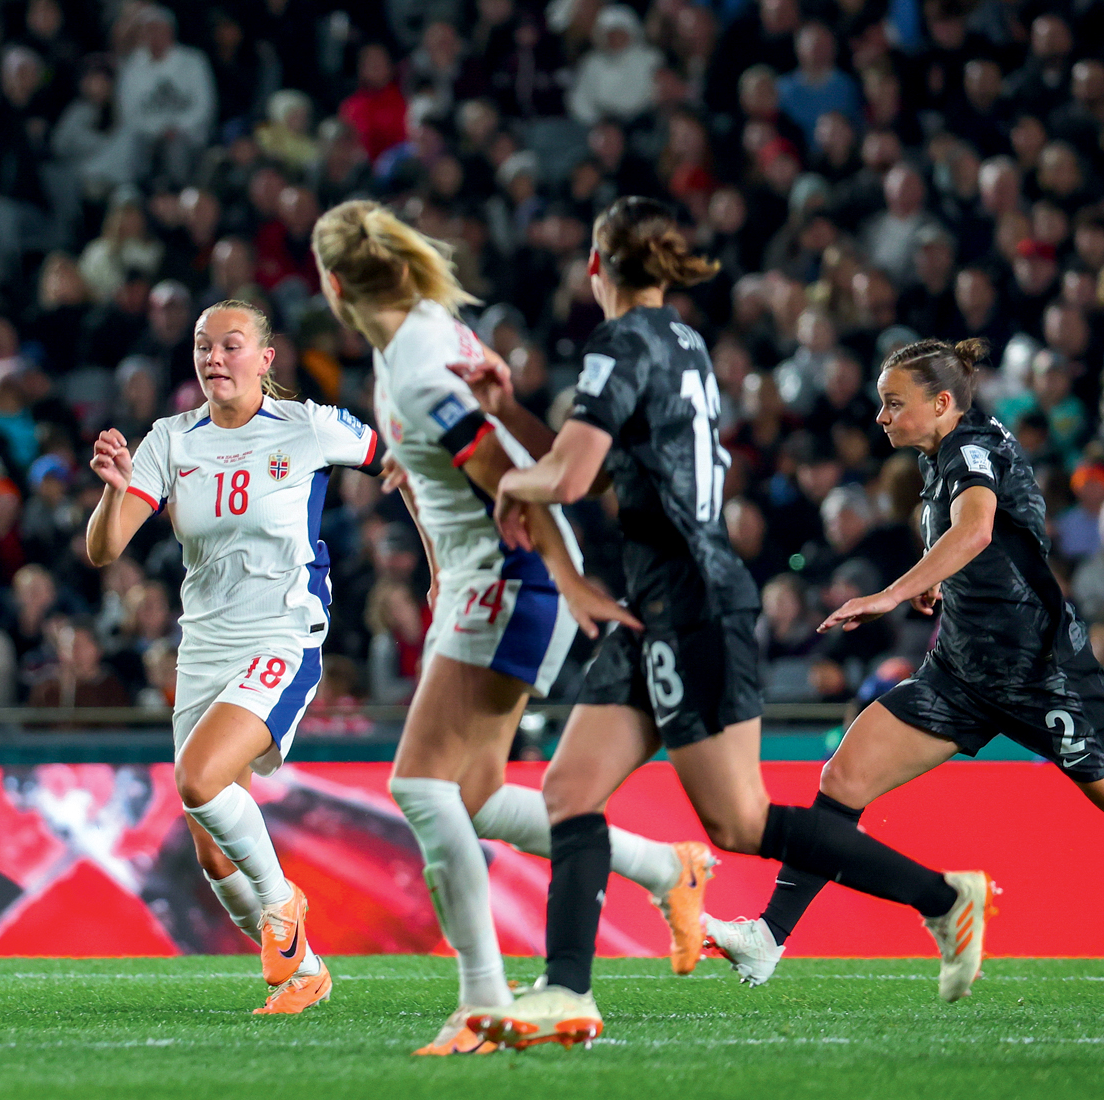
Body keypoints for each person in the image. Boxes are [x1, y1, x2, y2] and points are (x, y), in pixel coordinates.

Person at [465, 198, 991, 1051]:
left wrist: (504, 479)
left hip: (691, 602)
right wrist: (511, 418)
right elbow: (601, 472)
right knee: (569, 793)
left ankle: (945, 898)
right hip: (655, 605)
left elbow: (565, 481)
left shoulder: (618, 344)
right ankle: (566, 995)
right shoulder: (682, 343)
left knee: (740, 825)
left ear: (596, 265)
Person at [310, 199, 710, 1056]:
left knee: (421, 791)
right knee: (477, 798)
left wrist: (569, 580)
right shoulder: (433, 329)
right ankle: (664, 869)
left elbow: (513, 482)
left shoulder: (415, 368)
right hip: (485, 579)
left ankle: (483, 1002)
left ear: (333, 284)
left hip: (506, 580)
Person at [704, 338, 1104, 985]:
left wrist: (890, 592)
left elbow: (975, 529)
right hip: (962, 674)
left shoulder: (971, 448)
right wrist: (937, 579)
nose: (882, 417)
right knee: (842, 780)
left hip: (1042, 673)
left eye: (895, 404)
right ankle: (769, 935)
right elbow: (983, 539)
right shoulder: (945, 452)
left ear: (942, 403)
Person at [85, 299, 376, 1015]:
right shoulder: (172, 439)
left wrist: (441, 549)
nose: (215, 357)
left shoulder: (306, 426)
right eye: (203, 346)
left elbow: (394, 459)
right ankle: (303, 967)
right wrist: (113, 492)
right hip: (206, 644)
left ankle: (283, 908)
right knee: (214, 850)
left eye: (231, 345)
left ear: (266, 360)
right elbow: (104, 549)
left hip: (281, 631)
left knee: (201, 775)